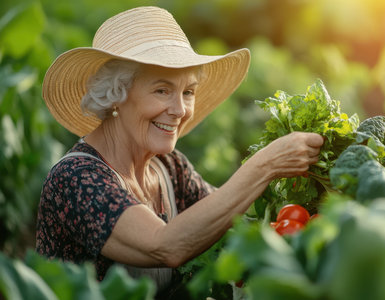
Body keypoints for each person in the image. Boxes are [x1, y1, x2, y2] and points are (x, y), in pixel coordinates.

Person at [35, 5, 323, 297]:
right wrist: (265, 166)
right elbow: (165, 245)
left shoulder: (170, 168)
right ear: (115, 95)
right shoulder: (75, 179)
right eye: (162, 90)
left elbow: (227, 222)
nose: (180, 110)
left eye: (188, 92)